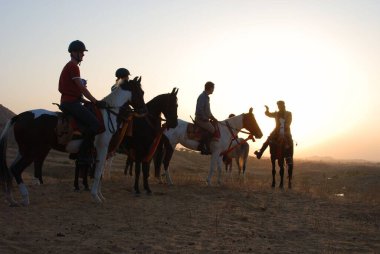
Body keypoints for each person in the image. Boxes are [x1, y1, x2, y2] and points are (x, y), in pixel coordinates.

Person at [58, 40, 106, 165]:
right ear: (74, 53)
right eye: (81, 52)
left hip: (71, 101)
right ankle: (83, 155)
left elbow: (75, 90)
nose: (83, 55)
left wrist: (84, 100)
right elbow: (82, 88)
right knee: (95, 124)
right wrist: (95, 101)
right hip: (70, 103)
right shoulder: (73, 67)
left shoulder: (70, 66)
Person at [195, 81, 218, 155]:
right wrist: (205, 118)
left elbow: (208, 112)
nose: (213, 90)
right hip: (200, 119)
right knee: (212, 129)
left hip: (204, 119)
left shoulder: (206, 97)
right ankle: (203, 147)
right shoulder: (202, 97)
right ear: (210, 88)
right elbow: (200, 110)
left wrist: (213, 118)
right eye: (213, 88)